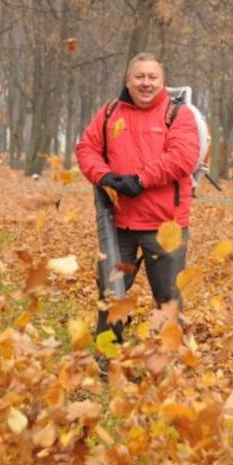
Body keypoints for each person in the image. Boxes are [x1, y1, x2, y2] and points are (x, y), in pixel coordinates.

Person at [76, 52, 200, 340]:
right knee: (110, 293)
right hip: (119, 226)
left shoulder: (178, 114)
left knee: (168, 298)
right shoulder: (109, 113)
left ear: (163, 81)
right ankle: (108, 354)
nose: (146, 83)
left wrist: (141, 179)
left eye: (152, 77)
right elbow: (86, 148)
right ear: (127, 80)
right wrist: (103, 176)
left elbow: (183, 157)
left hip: (166, 225)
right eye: (139, 77)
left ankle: (164, 361)